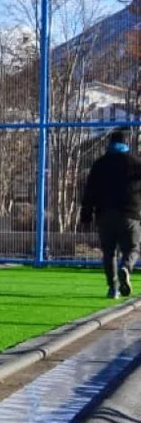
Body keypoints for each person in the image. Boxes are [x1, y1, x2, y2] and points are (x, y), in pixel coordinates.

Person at [80, 128, 141, 299]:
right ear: (126, 143)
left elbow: (89, 192)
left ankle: (112, 288)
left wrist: (86, 215)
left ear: (110, 144)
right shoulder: (136, 163)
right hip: (130, 213)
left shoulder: (99, 164)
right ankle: (126, 267)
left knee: (109, 252)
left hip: (104, 214)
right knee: (133, 248)